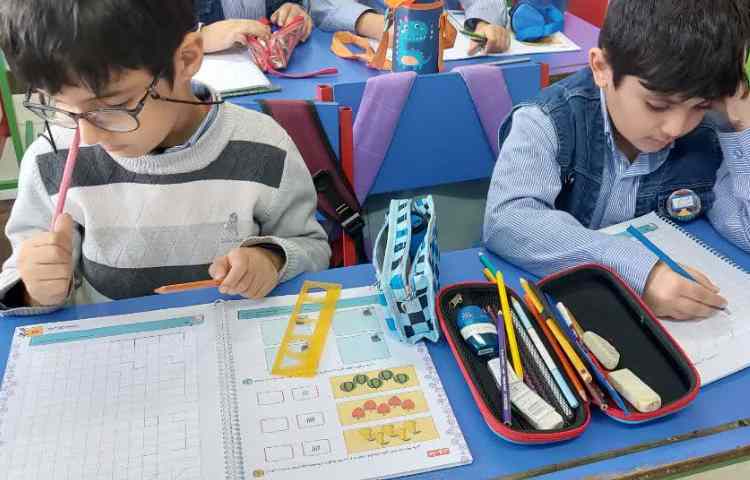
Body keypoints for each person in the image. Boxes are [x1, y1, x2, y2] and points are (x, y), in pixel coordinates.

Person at [0, 0, 331, 314]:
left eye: (114, 105)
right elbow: (20, 274)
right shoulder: (51, 159)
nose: (88, 137)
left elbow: (312, 247)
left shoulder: (264, 147)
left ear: (186, 59)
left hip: (236, 334)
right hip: (110, 343)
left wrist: (271, 259)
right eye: (58, 103)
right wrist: (35, 290)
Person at [483, 0, 750, 320]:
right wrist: (639, 272)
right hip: (557, 312)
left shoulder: (708, 134)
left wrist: (741, 126)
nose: (676, 128)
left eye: (700, 105)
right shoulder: (548, 120)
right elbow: (508, 221)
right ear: (601, 68)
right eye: (657, 105)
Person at [312, 0, 511, 54]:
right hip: (373, 60)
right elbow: (321, 4)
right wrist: (375, 25)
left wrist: (484, 23)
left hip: (454, 58)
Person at [194, 0, 314, 52]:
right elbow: (182, 32)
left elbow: (292, 6)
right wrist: (202, 35)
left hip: (276, 68)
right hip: (213, 74)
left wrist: (293, 11)